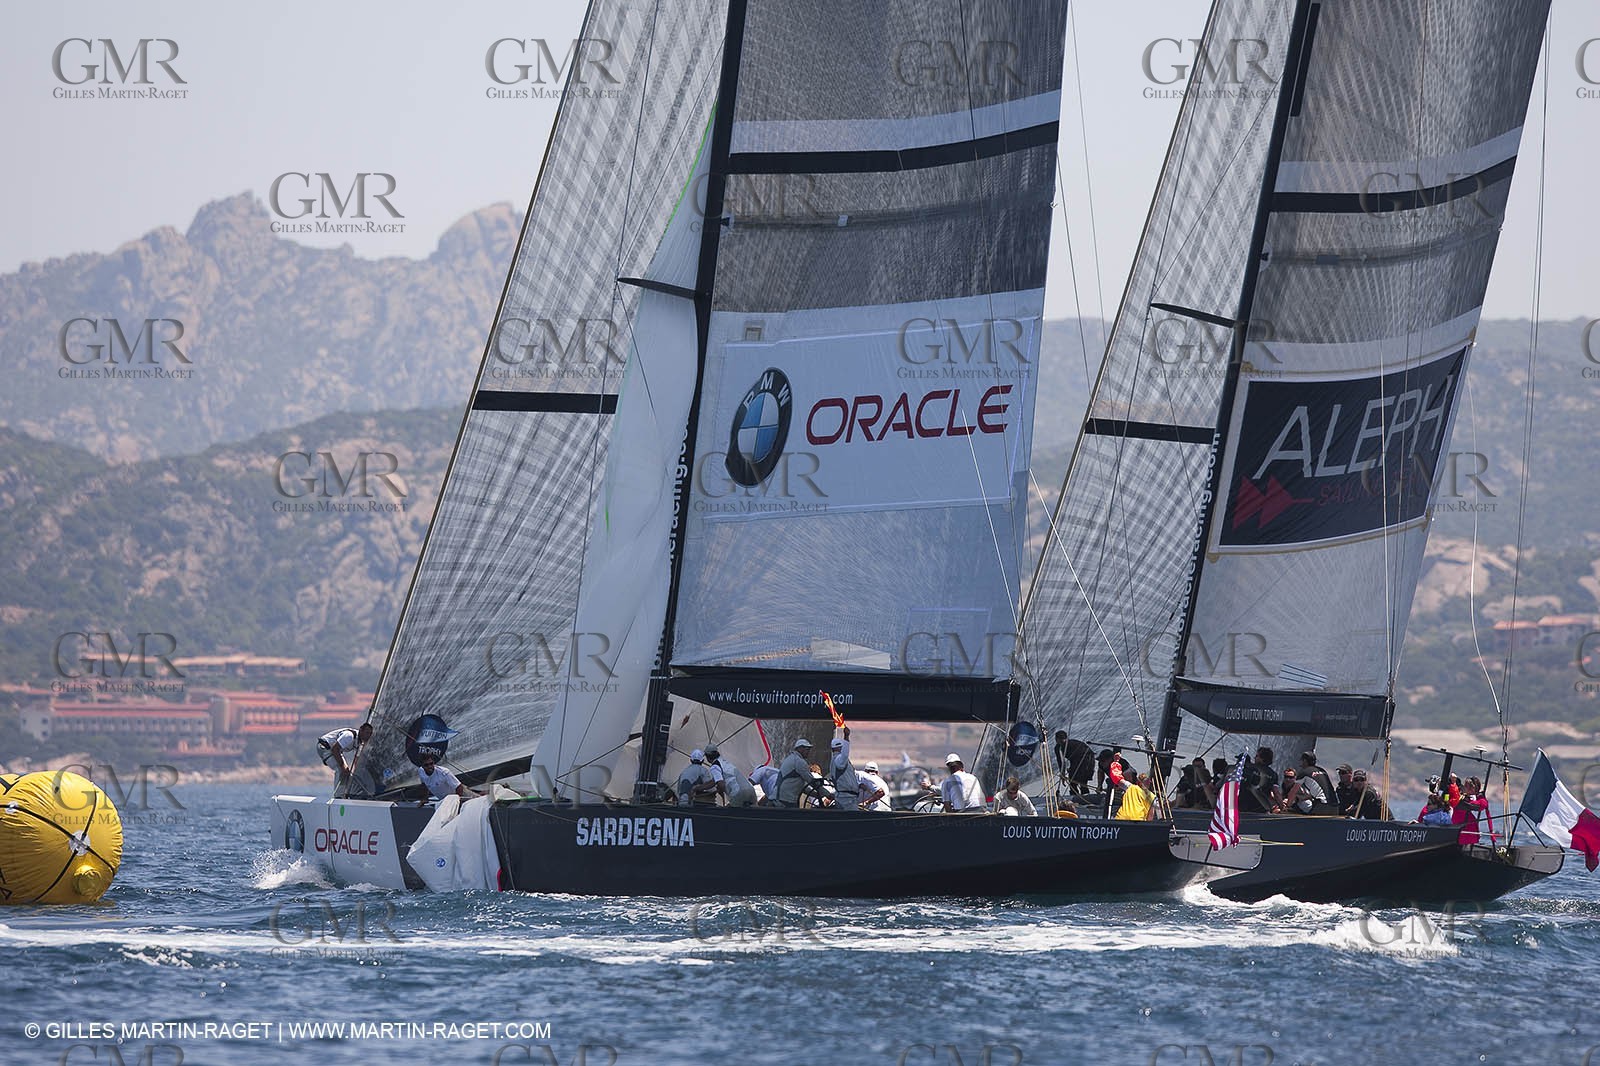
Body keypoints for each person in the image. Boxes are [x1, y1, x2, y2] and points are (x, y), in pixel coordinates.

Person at [317, 722, 373, 793]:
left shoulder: (360, 743)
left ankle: (345, 794)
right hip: (324, 747)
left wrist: (354, 773)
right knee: (340, 770)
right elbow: (335, 749)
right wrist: (343, 767)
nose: (368, 736)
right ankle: (338, 797)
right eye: (367, 733)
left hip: (334, 750)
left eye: (370, 734)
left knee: (347, 773)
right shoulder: (349, 736)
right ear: (361, 730)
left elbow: (356, 760)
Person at [775, 738, 815, 807]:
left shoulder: (790, 759)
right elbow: (812, 781)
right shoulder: (799, 762)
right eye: (807, 749)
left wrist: (816, 794)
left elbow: (803, 787)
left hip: (779, 798)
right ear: (800, 749)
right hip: (786, 800)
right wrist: (826, 794)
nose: (808, 752)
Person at [1241, 747, 1280, 814]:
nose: (1254, 758)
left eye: (1257, 756)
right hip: (1260, 810)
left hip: (1242, 807)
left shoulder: (1248, 768)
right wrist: (1282, 806)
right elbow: (1276, 793)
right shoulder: (1274, 775)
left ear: (1262, 759)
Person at [828, 728, 859, 811]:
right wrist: (846, 737)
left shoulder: (834, 761)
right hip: (847, 799)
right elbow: (845, 755)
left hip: (845, 797)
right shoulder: (839, 760)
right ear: (840, 748)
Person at [1455, 776, 1490, 845]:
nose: (1467, 788)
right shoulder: (1459, 795)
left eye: (1470, 786)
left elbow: (1482, 805)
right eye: (1466, 786)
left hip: (1467, 826)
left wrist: (1469, 801)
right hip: (1456, 823)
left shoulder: (1478, 799)